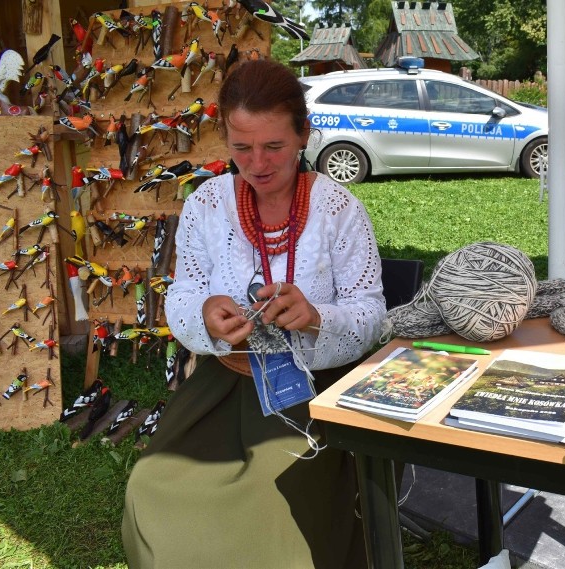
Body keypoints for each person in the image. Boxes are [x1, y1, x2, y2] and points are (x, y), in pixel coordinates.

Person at [121, 59, 386, 568]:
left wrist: (315, 317)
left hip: (313, 388)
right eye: (241, 148)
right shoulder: (207, 204)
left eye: (274, 146)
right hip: (223, 384)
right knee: (151, 486)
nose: (258, 163)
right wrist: (205, 313)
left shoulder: (338, 209)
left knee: (271, 505)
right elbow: (181, 295)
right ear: (225, 138)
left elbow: (372, 314)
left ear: (304, 134)